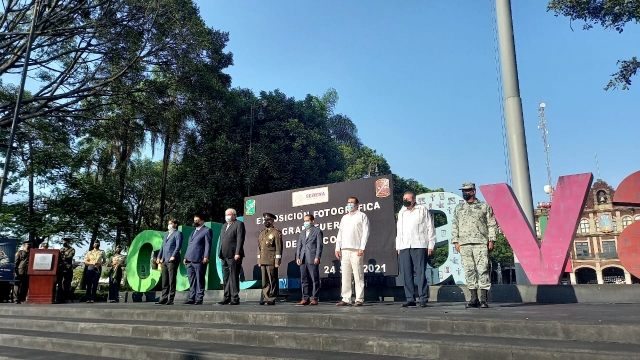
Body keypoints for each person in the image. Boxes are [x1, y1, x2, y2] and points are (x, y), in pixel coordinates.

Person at [451, 182, 497, 309]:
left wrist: (491, 240)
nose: (465, 193)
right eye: (463, 191)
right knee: (469, 270)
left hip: (481, 242)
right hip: (464, 243)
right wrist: (455, 241)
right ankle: (473, 298)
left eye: (467, 190)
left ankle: (484, 299)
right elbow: (455, 225)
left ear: (473, 191)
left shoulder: (484, 206)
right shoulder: (459, 208)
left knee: (482, 270)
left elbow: (492, 224)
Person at [396, 190, 436, 308]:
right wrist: (398, 246)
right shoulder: (402, 211)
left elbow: (430, 228)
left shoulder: (422, 210)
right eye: (404, 199)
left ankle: (423, 298)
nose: (405, 201)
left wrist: (431, 245)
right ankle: (410, 298)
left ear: (413, 200)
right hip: (404, 246)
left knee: (420, 272)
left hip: (419, 244)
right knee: (406, 273)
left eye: (407, 199)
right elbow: (399, 230)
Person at [335, 197, 370, 307]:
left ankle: (359, 298)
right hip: (344, 249)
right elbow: (340, 233)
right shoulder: (344, 218)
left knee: (358, 275)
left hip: (356, 249)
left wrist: (362, 247)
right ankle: (346, 298)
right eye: (348, 202)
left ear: (357, 205)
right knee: (345, 275)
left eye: (352, 203)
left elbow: (366, 232)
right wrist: (337, 248)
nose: (349, 204)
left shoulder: (362, 216)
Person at [217, 208, 245, 305]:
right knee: (225, 278)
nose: (227, 216)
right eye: (226, 215)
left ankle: (235, 298)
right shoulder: (224, 226)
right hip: (224, 255)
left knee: (233, 277)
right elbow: (222, 240)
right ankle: (226, 297)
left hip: (234, 255)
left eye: (229, 214)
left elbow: (240, 239)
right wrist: (219, 254)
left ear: (234, 215)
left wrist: (237, 253)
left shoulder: (239, 224)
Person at [183, 215, 212, 305]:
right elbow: (189, 246)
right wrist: (185, 257)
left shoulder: (207, 230)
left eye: (197, 220)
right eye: (194, 220)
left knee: (200, 279)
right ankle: (191, 298)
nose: (195, 222)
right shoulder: (193, 232)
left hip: (199, 259)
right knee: (191, 280)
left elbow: (208, 244)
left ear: (202, 221)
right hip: (189, 259)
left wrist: (206, 256)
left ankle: (199, 298)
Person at [296, 214, 323, 306]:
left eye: (307, 221)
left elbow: (319, 245)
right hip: (303, 258)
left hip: (312, 257)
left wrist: (317, 257)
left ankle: (314, 298)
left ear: (312, 221)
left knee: (314, 279)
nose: (306, 222)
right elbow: (299, 246)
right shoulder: (302, 232)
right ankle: (305, 298)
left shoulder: (317, 231)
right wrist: (298, 257)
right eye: (305, 221)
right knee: (304, 279)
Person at [156, 219, 183, 305]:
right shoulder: (166, 234)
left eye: (171, 224)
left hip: (172, 260)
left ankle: (171, 298)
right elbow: (162, 247)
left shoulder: (178, 233)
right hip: (164, 260)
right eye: (168, 224)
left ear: (175, 224)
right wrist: (159, 257)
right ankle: (164, 298)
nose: (169, 225)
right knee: (165, 280)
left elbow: (178, 246)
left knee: (172, 280)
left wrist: (173, 256)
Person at [257, 213, 283, 306]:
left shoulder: (276, 232)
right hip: (263, 260)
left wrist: (277, 261)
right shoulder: (262, 233)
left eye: (268, 221)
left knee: (272, 279)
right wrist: (259, 260)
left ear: (272, 221)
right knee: (264, 280)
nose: (266, 222)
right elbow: (259, 248)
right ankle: (266, 297)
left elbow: (279, 248)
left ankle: (271, 298)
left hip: (271, 260)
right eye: (265, 220)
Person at [56, 238, 76, 303]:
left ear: (68, 242)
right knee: (60, 283)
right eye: (63, 241)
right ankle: (59, 298)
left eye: (66, 242)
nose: (64, 243)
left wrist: (63, 256)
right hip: (60, 268)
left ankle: (66, 298)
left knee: (67, 283)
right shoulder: (60, 250)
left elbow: (69, 257)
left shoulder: (72, 249)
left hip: (68, 268)